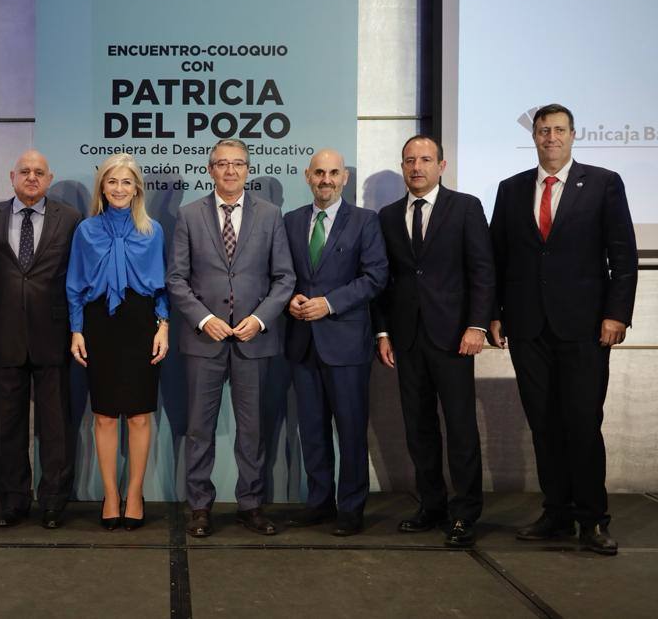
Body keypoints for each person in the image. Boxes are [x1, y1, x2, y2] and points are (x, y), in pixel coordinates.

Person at [489, 104, 637, 556]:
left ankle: (592, 520)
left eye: (558, 130)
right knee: (544, 424)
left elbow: (624, 257)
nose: (550, 137)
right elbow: (498, 259)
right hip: (528, 327)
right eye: (542, 130)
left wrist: (617, 315)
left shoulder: (604, 183)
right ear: (533, 137)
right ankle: (556, 512)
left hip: (586, 328)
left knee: (582, 422)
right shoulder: (511, 189)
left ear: (573, 135)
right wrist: (495, 312)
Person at [167, 138, 295, 538]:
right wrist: (204, 319)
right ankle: (200, 506)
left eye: (238, 164)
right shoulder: (188, 215)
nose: (230, 171)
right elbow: (176, 278)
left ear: (248, 169)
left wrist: (259, 319)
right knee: (199, 428)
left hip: (253, 339)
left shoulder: (270, 215)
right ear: (210, 169)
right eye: (222, 164)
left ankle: (251, 505)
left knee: (252, 428)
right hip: (204, 340)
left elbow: (284, 278)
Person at [373, 135, 494, 548]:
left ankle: (465, 513)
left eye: (425, 160)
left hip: (455, 337)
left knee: (460, 427)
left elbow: (482, 270)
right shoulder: (388, 216)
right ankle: (431, 505)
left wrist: (477, 325)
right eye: (409, 160)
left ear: (441, 165)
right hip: (407, 339)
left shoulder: (466, 208)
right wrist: (384, 331)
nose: (417, 167)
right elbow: (384, 282)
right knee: (418, 428)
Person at [283, 149, 388, 536]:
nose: (325, 179)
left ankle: (352, 507)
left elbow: (375, 277)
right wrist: (291, 297)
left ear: (345, 178)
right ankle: (319, 502)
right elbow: (282, 273)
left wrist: (329, 303)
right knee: (312, 430)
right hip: (302, 343)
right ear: (307, 177)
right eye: (318, 173)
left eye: (333, 173)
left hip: (346, 344)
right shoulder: (291, 221)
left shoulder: (365, 222)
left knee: (350, 429)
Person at [66, 154, 169, 530]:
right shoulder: (86, 231)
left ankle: (136, 493)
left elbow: (162, 287)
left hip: (141, 323)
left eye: (127, 182)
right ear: (102, 187)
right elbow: (75, 285)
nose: (120, 189)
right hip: (100, 324)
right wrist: (77, 329)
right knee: (105, 416)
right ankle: (111, 495)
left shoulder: (152, 230)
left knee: (141, 416)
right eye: (113, 182)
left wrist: (164, 326)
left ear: (137, 188)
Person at [0, 150, 81, 529]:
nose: (31, 177)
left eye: (39, 172)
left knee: (56, 424)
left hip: (53, 335)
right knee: (8, 424)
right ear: (12, 176)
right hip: (4, 335)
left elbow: (77, 276)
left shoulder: (70, 219)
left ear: (49, 178)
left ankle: (54, 500)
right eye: (24, 171)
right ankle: (12, 501)